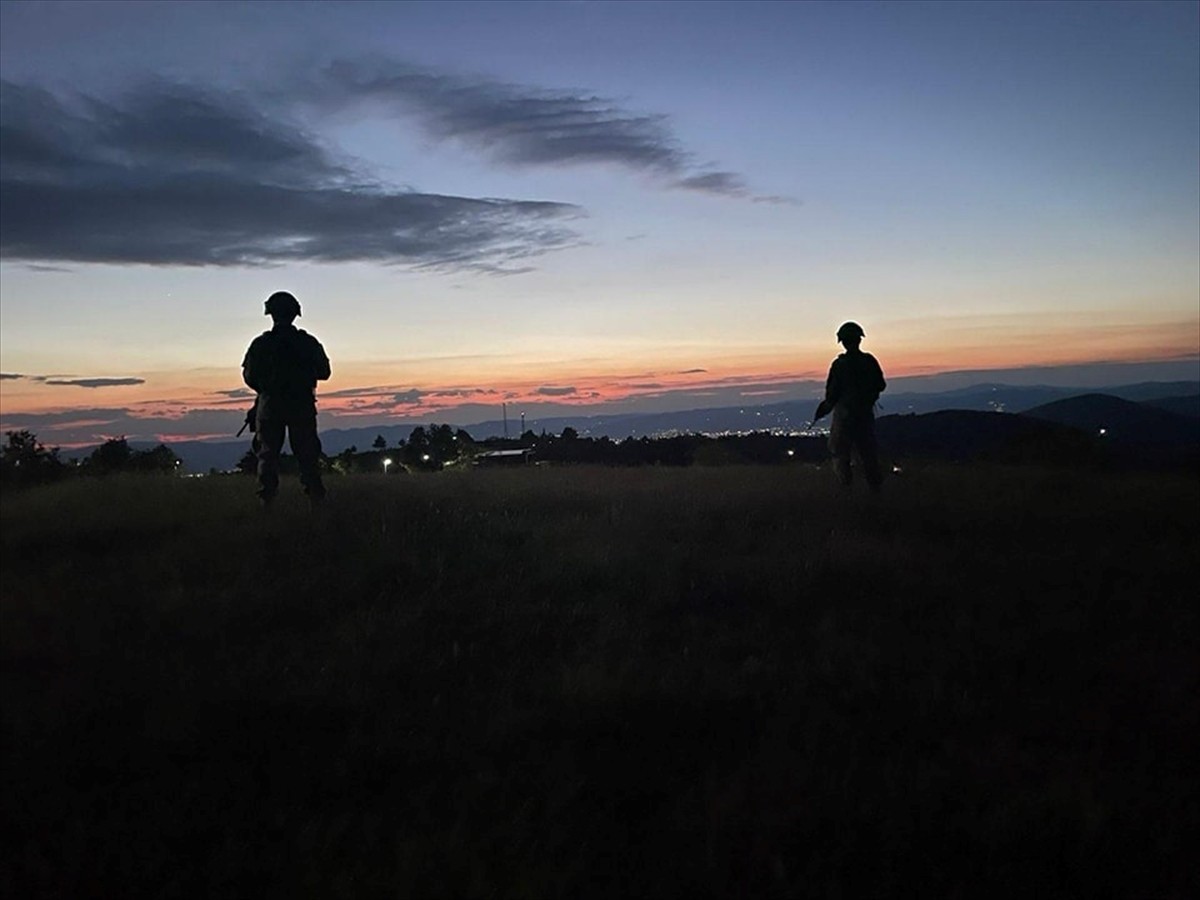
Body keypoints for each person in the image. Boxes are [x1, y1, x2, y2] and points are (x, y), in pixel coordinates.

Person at [242, 291, 331, 504]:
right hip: (301, 405)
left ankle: (267, 500)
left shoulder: (261, 344)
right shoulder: (307, 342)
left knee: (267, 454)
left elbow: (250, 376)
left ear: (271, 314)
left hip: (270, 406)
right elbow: (325, 372)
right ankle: (316, 499)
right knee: (307, 454)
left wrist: (267, 388)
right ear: (294, 314)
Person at [812, 321, 886, 490]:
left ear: (843, 342)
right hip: (865, 415)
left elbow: (832, 395)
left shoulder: (840, 365)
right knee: (868, 453)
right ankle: (875, 489)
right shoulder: (869, 361)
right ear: (859, 339)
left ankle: (846, 489)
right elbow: (881, 385)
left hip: (844, 416)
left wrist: (823, 409)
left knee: (840, 452)